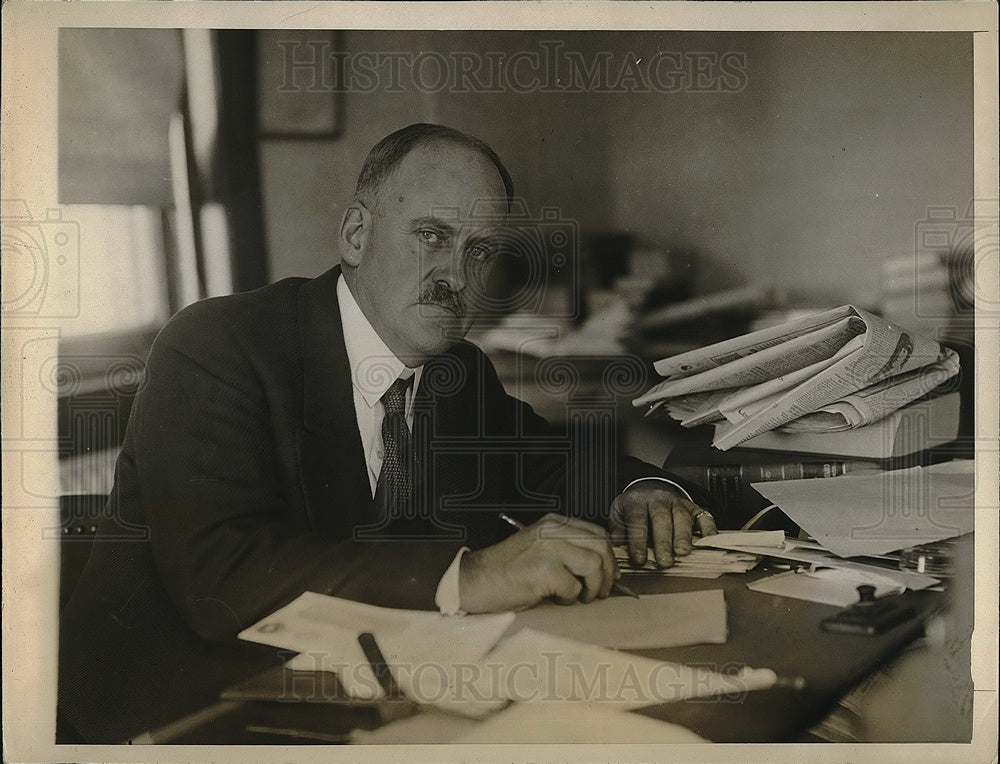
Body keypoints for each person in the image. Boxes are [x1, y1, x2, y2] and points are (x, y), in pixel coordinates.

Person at [58, 123, 716, 742]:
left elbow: (552, 459)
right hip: (183, 714)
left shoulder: (457, 371)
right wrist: (469, 576)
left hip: (369, 693)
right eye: (431, 235)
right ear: (354, 235)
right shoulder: (215, 346)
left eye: (479, 251)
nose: (455, 276)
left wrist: (641, 489)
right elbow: (220, 577)